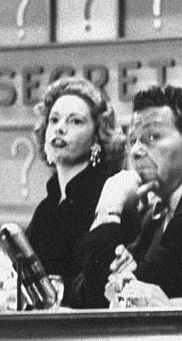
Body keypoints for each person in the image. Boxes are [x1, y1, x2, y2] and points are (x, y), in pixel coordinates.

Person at [74, 85, 182, 308]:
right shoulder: (160, 208)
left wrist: (108, 209)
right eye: (133, 140)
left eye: (152, 137)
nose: (135, 152)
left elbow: (113, 302)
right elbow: (89, 288)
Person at [25, 76, 125, 306]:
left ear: (97, 137)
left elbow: (99, 291)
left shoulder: (107, 196)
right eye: (54, 120)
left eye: (75, 121)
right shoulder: (47, 207)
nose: (60, 128)